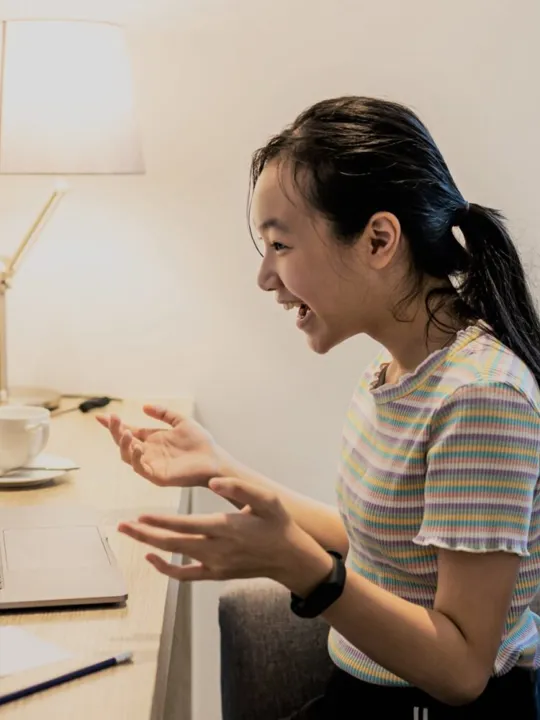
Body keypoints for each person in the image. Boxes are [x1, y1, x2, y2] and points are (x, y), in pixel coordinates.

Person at [97, 96, 540, 718]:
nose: (264, 277)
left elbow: (464, 670)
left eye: (280, 245)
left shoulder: (481, 399)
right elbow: (381, 543)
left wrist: (302, 570)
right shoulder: (395, 371)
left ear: (379, 240)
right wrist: (220, 469)